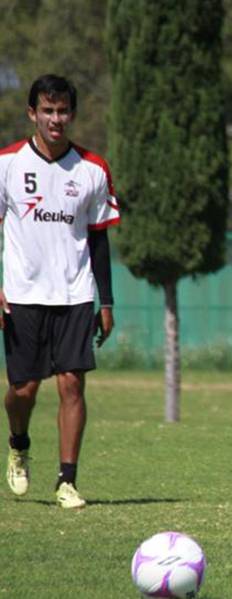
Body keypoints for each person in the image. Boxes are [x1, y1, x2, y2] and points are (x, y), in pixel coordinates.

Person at [1, 74, 120, 509]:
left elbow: (99, 238)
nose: (56, 119)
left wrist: (105, 300)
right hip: (23, 293)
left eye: (63, 110)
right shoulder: (7, 164)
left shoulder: (92, 169)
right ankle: (18, 442)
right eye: (47, 111)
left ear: (72, 113)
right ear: (32, 113)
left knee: (72, 385)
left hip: (74, 293)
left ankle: (67, 481)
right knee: (25, 390)